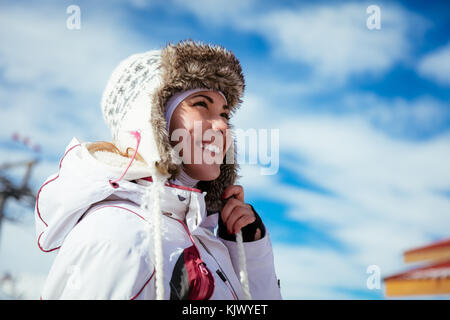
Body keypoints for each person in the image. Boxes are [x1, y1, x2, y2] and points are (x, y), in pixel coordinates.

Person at [35, 39, 282, 300]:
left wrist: (249, 252)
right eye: (201, 104)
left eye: (225, 114)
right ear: (151, 120)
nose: (222, 126)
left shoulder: (202, 238)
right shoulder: (121, 238)